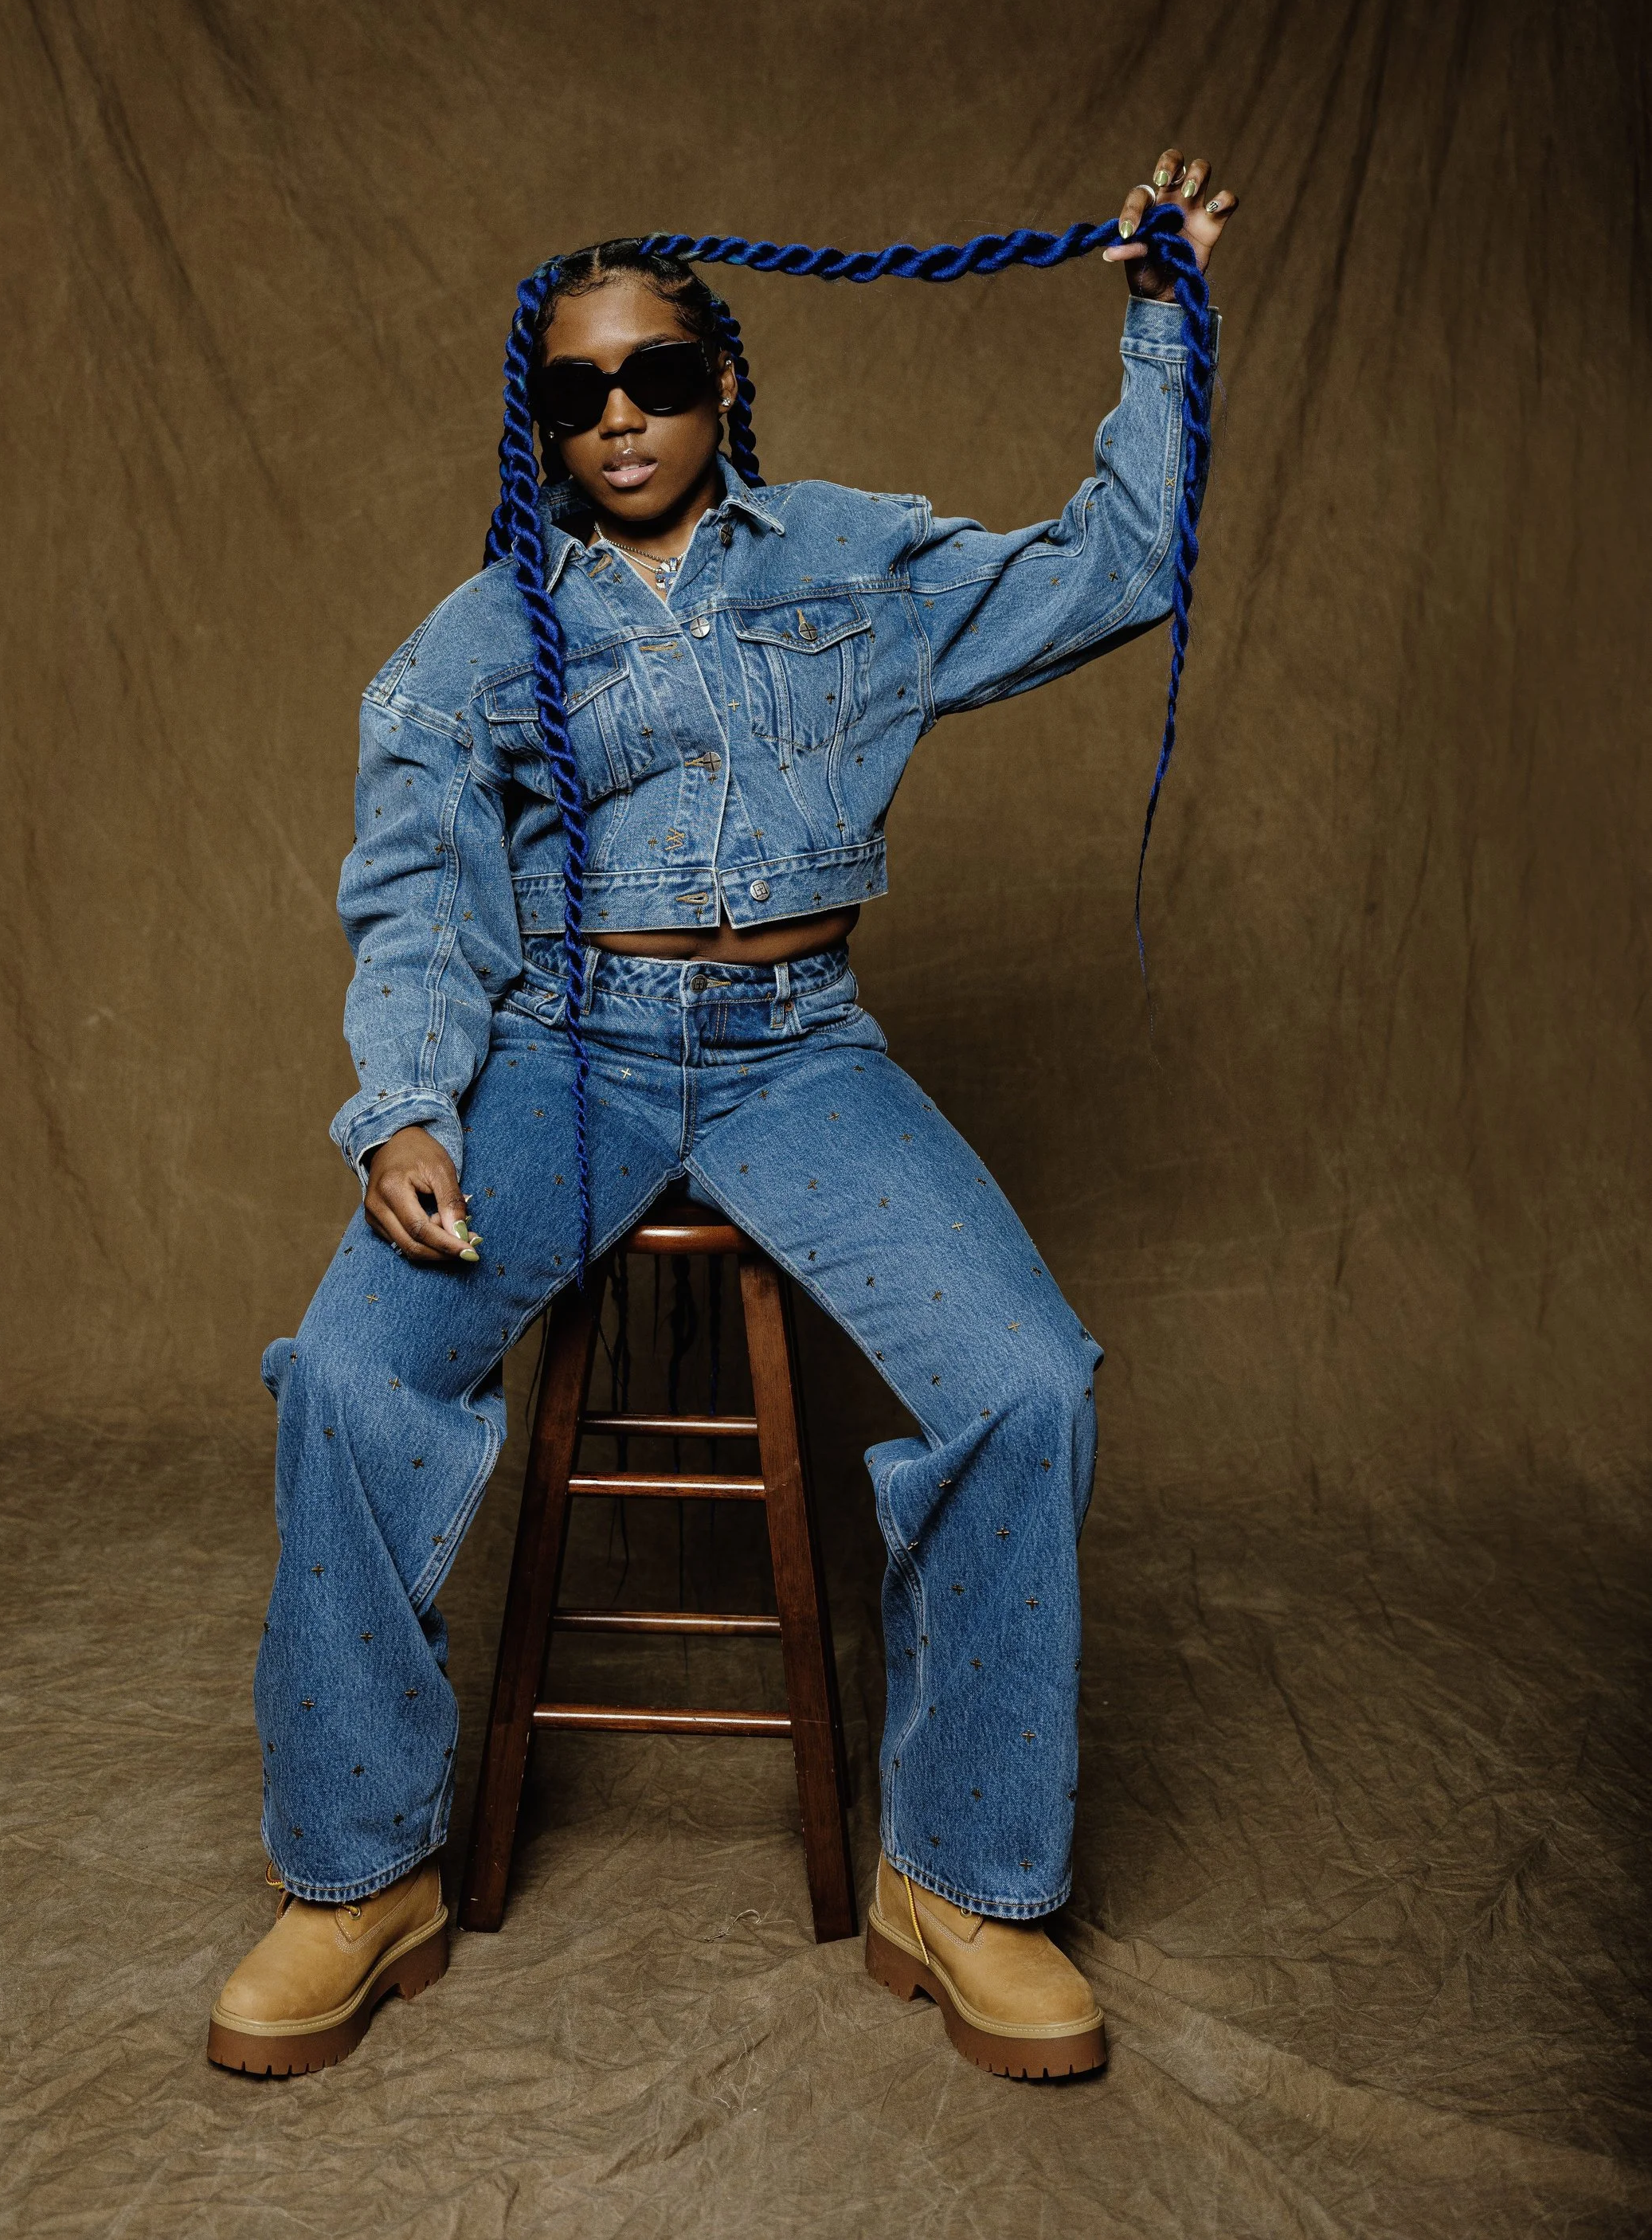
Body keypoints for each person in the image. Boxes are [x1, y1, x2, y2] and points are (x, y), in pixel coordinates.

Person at [206, 151, 1237, 2082]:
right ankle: (357, 1875)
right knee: (347, 1372)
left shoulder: (851, 560)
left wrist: (1158, 320)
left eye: (657, 376)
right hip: (564, 1054)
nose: (620, 416)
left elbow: (1114, 564)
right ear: (540, 422)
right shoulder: (473, 641)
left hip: (798, 1051)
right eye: (576, 391)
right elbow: (416, 902)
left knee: (1027, 1379)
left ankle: (961, 1883)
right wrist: (405, 1111)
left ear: (722, 383)